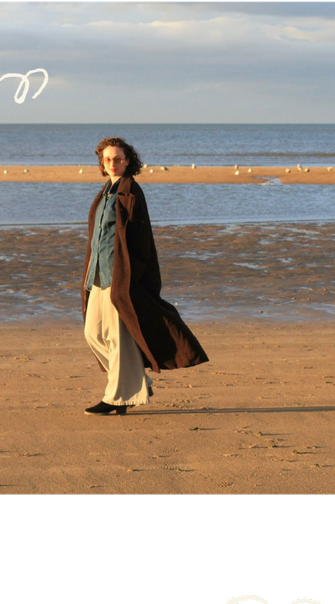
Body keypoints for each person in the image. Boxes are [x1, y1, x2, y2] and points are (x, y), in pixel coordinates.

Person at [79, 137, 209, 415]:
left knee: (117, 338)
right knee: (93, 334)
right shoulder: (105, 191)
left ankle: (117, 397)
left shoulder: (132, 193)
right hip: (98, 275)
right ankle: (136, 382)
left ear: (128, 161)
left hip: (119, 278)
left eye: (118, 159)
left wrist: (130, 279)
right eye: (108, 159)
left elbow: (141, 243)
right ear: (101, 162)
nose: (113, 163)